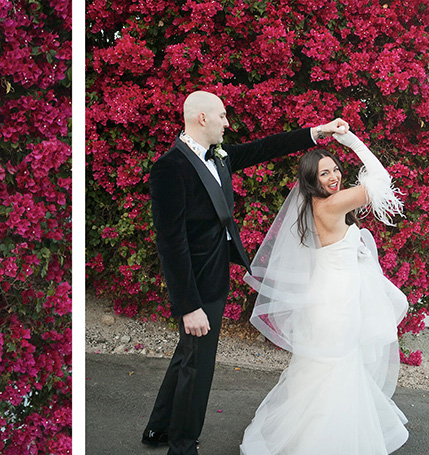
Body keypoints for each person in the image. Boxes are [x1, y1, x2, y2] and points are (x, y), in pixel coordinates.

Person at [144, 90, 349, 455]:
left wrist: (317, 132)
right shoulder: (169, 168)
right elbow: (170, 243)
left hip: (217, 270)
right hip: (196, 281)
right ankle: (183, 445)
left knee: (189, 353)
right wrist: (188, 305)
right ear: (202, 118)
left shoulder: (220, 158)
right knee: (199, 364)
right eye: (222, 116)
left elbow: (264, 147)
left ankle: (158, 428)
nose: (227, 122)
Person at [239, 132, 409, 454]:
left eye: (335, 170)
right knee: (335, 371)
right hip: (336, 303)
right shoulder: (331, 204)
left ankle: (311, 439)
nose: (333, 178)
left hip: (329, 298)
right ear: (312, 181)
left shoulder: (318, 205)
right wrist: (353, 142)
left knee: (322, 370)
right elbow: (381, 178)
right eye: (324, 174)